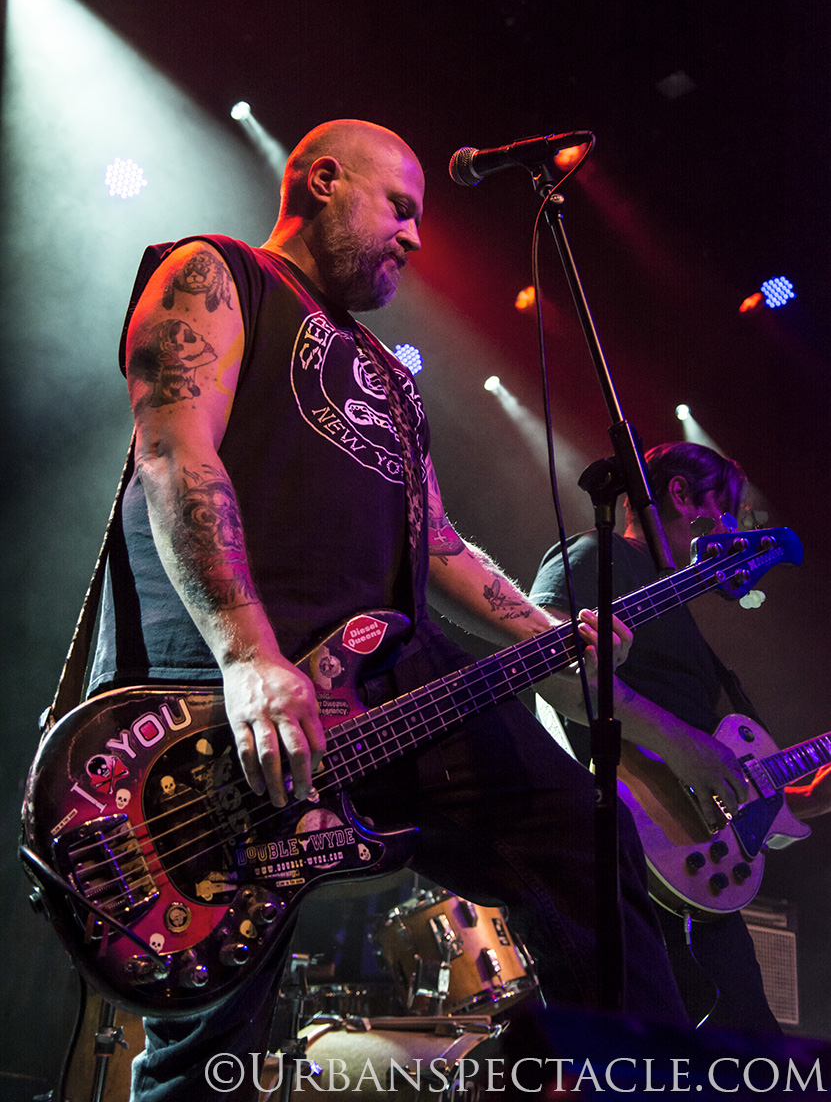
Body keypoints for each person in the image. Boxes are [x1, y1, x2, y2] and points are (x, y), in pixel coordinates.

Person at [89, 120, 686, 1100]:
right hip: (222, 683)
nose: (415, 236)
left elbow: (437, 540)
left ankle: (618, 1078)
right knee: (211, 1031)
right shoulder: (218, 274)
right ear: (325, 180)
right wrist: (248, 655)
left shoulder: (387, 377)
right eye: (400, 207)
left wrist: (547, 634)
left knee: (584, 835)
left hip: (381, 676)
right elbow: (173, 451)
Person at [530, 440, 831, 1032]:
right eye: (728, 511)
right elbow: (544, 664)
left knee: (749, 1056)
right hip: (624, 863)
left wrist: (803, 797)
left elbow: (711, 778)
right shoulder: (596, 555)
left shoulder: (674, 602)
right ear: (681, 494)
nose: (732, 530)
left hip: (690, 873)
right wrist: (681, 744)